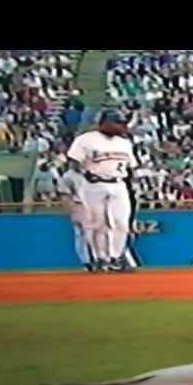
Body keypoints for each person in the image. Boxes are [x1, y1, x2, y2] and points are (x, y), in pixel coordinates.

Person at [66, 110, 139, 272]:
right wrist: (85, 173)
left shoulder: (124, 143)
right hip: (94, 184)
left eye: (121, 123)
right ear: (104, 123)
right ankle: (100, 258)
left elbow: (131, 166)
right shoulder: (86, 140)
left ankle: (116, 257)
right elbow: (74, 161)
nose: (121, 126)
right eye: (117, 122)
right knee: (98, 224)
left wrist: (133, 185)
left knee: (121, 222)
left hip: (119, 183)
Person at [57, 161, 94, 272]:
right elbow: (65, 196)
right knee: (82, 236)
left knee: (95, 235)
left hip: (94, 205)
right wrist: (70, 210)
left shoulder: (90, 172)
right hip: (78, 205)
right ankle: (86, 263)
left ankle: (99, 260)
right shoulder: (68, 176)